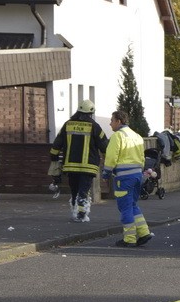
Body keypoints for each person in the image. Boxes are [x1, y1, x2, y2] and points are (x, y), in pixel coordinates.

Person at [50, 99, 109, 223]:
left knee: (74, 190)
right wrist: (108, 161)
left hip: (70, 166)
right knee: (83, 191)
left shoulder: (68, 124)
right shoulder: (94, 126)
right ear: (91, 113)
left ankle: (74, 212)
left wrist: (54, 157)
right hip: (87, 167)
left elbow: (57, 142)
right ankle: (81, 214)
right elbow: (104, 145)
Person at [103, 110, 152, 248]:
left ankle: (129, 238)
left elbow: (112, 156)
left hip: (124, 177)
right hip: (137, 175)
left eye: (112, 120)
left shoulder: (117, 136)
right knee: (132, 205)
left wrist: (106, 172)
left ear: (119, 121)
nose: (110, 123)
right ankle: (144, 233)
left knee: (125, 207)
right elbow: (142, 158)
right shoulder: (136, 136)